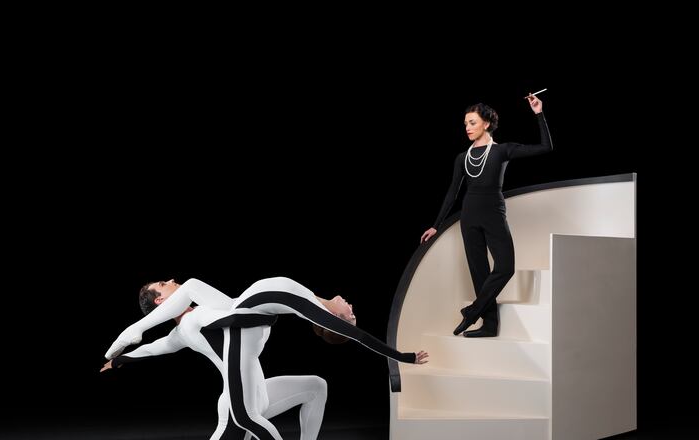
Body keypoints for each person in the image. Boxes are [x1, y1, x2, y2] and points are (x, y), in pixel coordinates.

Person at [102, 276, 428, 440]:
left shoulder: (207, 309)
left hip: (254, 391)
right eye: (163, 284)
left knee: (317, 386)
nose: (169, 280)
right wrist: (122, 356)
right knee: (242, 421)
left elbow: (156, 346)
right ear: (160, 302)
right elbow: (157, 346)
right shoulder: (190, 323)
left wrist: (121, 358)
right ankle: (131, 331)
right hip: (236, 401)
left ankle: (130, 332)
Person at [420, 94, 552, 338]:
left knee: (505, 267)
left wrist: (538, 113)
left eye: (472, 123)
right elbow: (452, 194)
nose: (467, 128)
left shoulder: (502, 151)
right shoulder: (463, 158)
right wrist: (436, 226)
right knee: (479, 273)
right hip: (469, 216)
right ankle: (489, 326)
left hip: (493, 213)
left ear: (486, 123)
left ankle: (472, 311)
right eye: (466, 124)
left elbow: (546, 147)